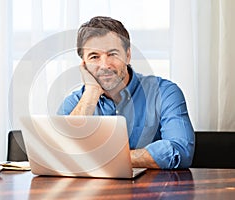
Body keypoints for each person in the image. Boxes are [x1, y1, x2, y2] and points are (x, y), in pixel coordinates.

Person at [57, 16, 195, 169]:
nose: (105, 65)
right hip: (91, 191)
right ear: (84, 64)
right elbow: (57, 155)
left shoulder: (164, 93)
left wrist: (106, 158)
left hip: (150, 190)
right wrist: (91, 94)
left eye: (113, 54)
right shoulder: (74, 103)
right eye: (94, 57)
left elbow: (181, 152)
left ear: (128, 55)